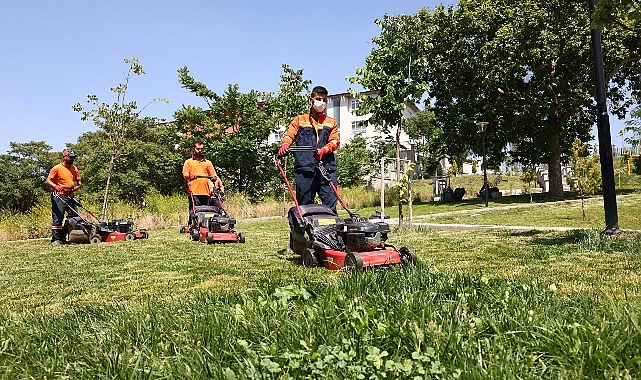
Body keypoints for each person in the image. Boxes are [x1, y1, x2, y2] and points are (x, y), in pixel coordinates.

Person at [278, 85, 340, 213]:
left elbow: (335, 141)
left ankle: (330, 231)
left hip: (326, 169)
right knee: (304, 208)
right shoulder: (300, 120)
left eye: (324, 100)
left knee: (331, 205)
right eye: (318, 99)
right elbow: (289, 135)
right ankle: (305, 232)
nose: (321, 102)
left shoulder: (331, 122)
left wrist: (323, 150)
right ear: (311, 100)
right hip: (306, 169)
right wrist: (285, 144)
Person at [44, 149, 82, 245]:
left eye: (73, 157)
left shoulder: (75, 169)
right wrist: (56, 186)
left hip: (70, 195)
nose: (72, 159)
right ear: (65, 157)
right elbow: (48, 181)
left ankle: (63, 237)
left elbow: (79, 183)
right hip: (59, 195)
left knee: (74, 216)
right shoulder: (57, 168)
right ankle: (55, 239)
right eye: (71, 157)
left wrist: (75, 188)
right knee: (58, 217)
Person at [182, 141, 225, 215]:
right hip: (194, 191)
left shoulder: (207, 163)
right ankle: (192, 224)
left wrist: (214, 178)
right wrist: (189, 176)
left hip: (206, 192)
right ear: (194, 149)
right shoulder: (188, 162)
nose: (199, 150)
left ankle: (206, 225)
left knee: (206, 211)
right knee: (194, 211)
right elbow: (185, 174)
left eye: (201, 149)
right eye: (198, 149)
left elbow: (213, 174)